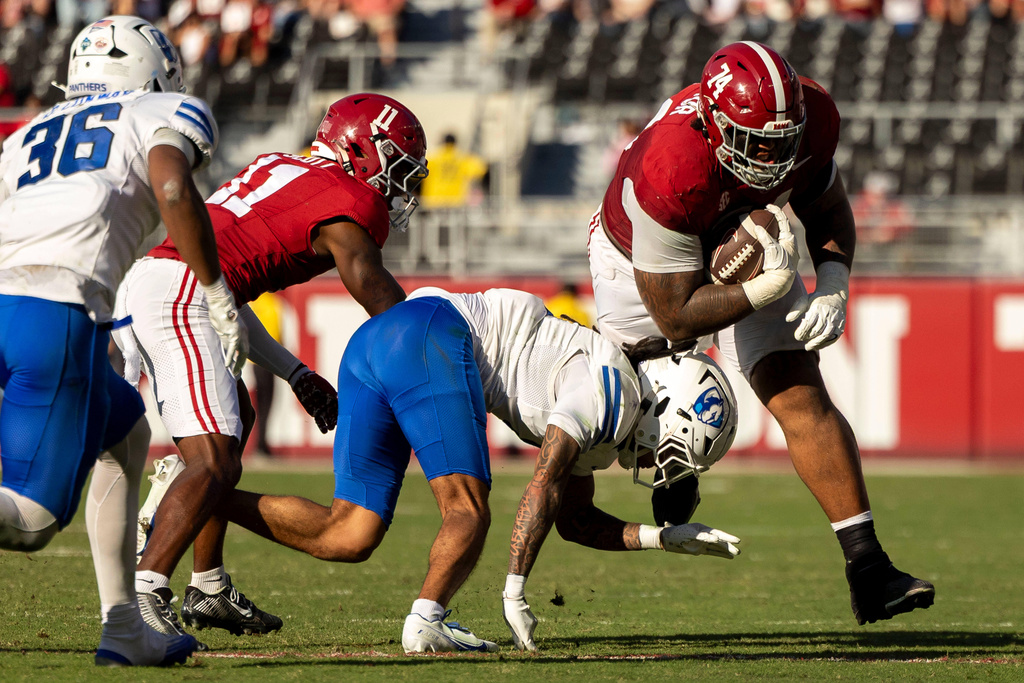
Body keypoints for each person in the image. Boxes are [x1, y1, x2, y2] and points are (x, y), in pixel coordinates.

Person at [586, 41, 935, 628]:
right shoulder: (671, 163)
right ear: (713, 124)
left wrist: (833, 279)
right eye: (758, 142)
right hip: (638, 260)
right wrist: (763, 289)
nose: (774, 155)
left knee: (799, 388)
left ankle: (869, 569)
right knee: (631, 414)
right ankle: (676, 471)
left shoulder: (812, 119)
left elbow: (827, 207)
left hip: (745, 241)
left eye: (784, 139)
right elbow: (675, 315)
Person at [215, 287, 743, 653]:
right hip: (433, 334)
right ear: (669, 408)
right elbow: (544, 480)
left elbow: (573, 520)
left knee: (349, 532)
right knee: (467, 513)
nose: (657, 465)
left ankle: (202, 495)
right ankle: (426, 622)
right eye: (671, 452)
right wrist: (515, 589)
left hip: (379, 340)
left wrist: (664, 538)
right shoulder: (616, 394)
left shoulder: (614, 400)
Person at [118, 92, 429, 642]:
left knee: (235, 415)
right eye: (397, 169)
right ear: (363, 149)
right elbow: (380, 300)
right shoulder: (349, 201)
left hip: (177, 283)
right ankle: (144, 592)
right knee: (210, 459)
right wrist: (435, 358)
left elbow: (225, 289)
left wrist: (295, 372)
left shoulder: (280, 165)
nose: (400, 187)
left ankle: (208, 587)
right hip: (178, 289)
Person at [0, 15, 242, 666]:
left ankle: (124, 624)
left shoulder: (25, 134)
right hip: (53, 306)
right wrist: (216, 290)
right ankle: (125, 626)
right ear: (152, 66)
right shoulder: (161, 107)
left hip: (11, 300)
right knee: (31, 520)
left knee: (127, 431)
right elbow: (170, 183)